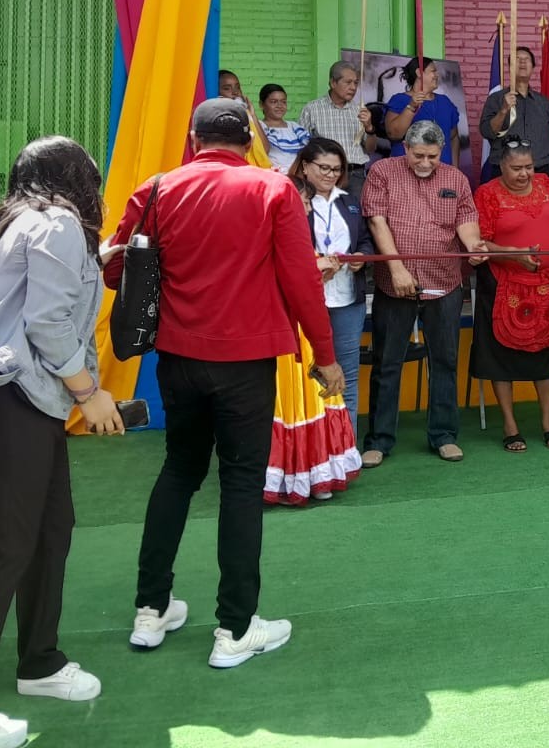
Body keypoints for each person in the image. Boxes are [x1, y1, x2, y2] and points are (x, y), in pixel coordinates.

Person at [104, 98, 343, 671]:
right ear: (249, 140)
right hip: (248, 360)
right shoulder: (272, 190)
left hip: (179, 357)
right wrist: (327, 356)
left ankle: (150, 609)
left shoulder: (158, 188)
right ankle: (234, 627)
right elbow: (301, 280)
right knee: (240, 485)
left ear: (194, 136)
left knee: (178, 473)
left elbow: (115, 268)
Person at [0, 138, 123, 748]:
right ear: (74, 176)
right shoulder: (59, 223)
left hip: (17, 398)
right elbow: (46, 322)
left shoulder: (18, 220)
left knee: (47, 532)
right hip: (17, 398)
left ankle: (40, 661)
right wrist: (91, 392)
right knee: (1, 551)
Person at [361, 120, 484, 465]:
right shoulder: (383, 172)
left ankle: (443, 435)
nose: (426, 163)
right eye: (418, 156)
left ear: (441, 151)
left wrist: (474, 245)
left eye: (432, 156)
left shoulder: (455, 179)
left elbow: (466, 219)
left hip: (443, 283)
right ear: (405, 148)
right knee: (387, 363)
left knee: (444, 361)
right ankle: (379, 440)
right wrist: (397, 267)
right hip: (393, 283)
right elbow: (376, 220)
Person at [274, 138, 369, 501]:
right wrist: (313, 267)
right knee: (302, 381)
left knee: (345, 377)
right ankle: (302, 464)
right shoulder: (289, 201)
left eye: (336, 169)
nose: (330, 175)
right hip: (301, 306)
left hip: (346, 299)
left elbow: (364, 242)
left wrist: (360, 256)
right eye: (323, 168)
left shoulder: (350, 204)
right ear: (305, 166)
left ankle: (343, 457)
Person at [472, 140, 549, 452]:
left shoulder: (546, 184)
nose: (525, 174)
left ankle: (547, 421)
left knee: (545, 354)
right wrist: (513, 254)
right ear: (501, 167)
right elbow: (481, 242)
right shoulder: (488, 194)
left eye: (529, 167)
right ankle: (510, 424)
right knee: (500, 356)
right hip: (505, 285)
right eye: (516, 168)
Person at [479, 46, 549, 187]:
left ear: (533, 67)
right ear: (509, 67)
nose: (522, 62)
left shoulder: (544, 103)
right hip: (504, 173)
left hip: (541, 171)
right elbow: (487, 131)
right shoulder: (496, 99)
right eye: (517, 59)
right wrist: (503, 110)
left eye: (527, 59)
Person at [385, 56, 465, 166]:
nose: (437, 75)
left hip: (442, 176)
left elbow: (453, 137)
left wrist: (455, 170)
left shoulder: (445, 102)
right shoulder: (400, 100)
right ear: (419, 73)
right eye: (433, 71)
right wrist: (411, 106)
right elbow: (394, 134)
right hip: (407, 175)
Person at [299, 60, 375, 173]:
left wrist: (369, 128)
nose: (353, 87)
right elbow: (301, 146)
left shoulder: (360, 111)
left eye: (355, 83)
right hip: (324, 173)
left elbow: (371, 149)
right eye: (348, 82)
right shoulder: (312, 109)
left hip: (355, 174)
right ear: (333, 83)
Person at [258, 84, 311, 173]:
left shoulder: (294, 127)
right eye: (274, 102)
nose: (280, 106)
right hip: (272, 177)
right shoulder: (259, 126)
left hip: (296, 177)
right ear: (261, 104)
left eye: (283, 102)